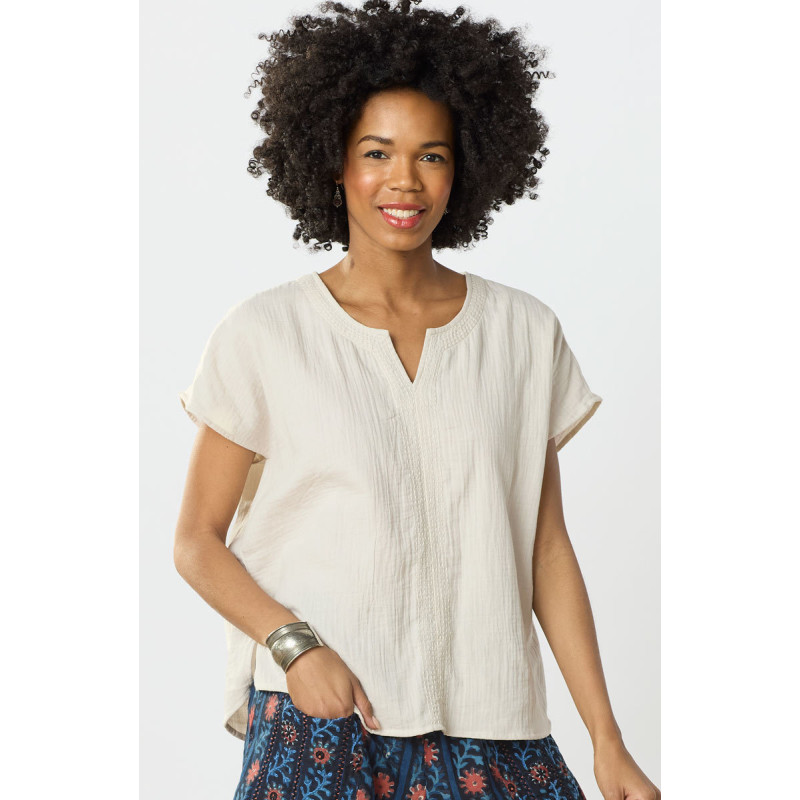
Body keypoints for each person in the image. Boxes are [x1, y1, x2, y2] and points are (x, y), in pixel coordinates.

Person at [173, 1, 660, 799]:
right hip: (324, 716)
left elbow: (545, 550)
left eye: (431, 155)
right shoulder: (265, 333)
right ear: (334, 162)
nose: (405, 180)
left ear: (463, 168)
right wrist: (293, 645)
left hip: (492, 720)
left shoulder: (522, 333)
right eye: (377, 153)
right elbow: (197, 540)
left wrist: (608, 740)